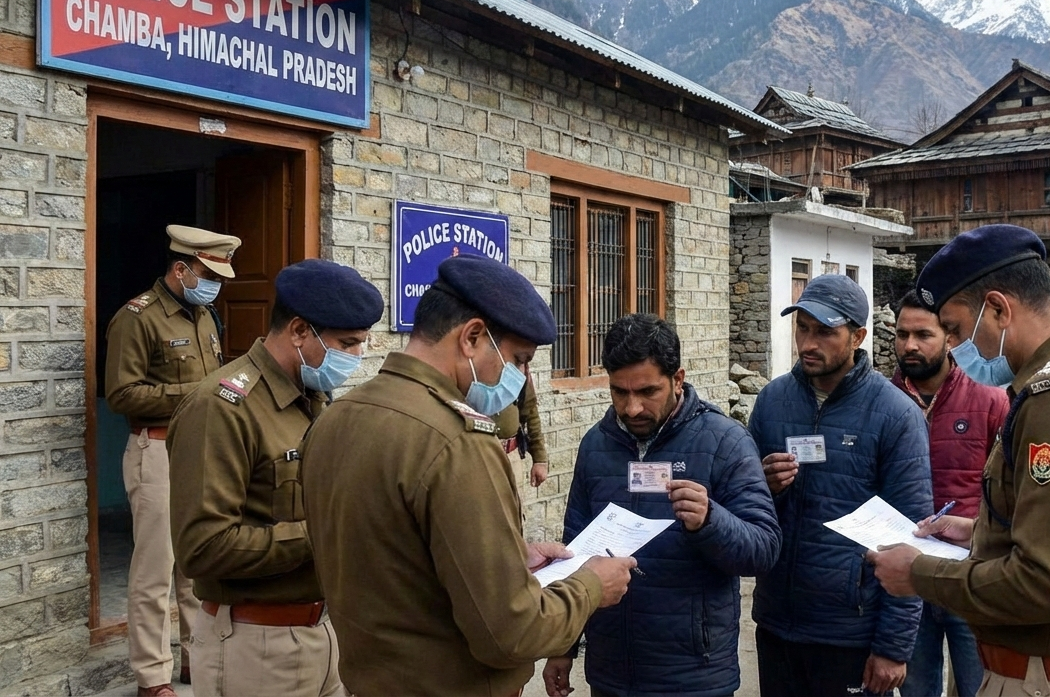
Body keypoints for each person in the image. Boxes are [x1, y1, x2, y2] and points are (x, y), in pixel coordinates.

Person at [299, 255, 633, 696]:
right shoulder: (458, 442)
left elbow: (398, 556)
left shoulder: (338, 415)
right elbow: (510, 635)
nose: (520, 376)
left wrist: (507, 558)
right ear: (473, 337)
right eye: (518, 359)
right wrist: (592, 585)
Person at [867, 224, 1050, 697]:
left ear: (999, 309)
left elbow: (1049, 584)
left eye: (955, 329)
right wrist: (981, 530)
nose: (956, 346)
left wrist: (919, 573)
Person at [168, 259, 382, 697]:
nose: (356, 358)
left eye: (361, 344)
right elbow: (202, 548)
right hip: (256, 643)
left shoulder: (314, 398)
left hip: (325, 633)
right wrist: (326, 532)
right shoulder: (222, 408)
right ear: (300, 330)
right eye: (347, 343)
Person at [541, 313, 780, 697]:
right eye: (620, 392)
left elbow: (764, 549)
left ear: (678, 379)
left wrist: (710, 521)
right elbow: (574, 550)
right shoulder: (595, 446)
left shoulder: (726, 442)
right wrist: (563, 646)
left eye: (647, 392)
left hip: (694, 677)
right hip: (611, 674)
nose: (632, 408)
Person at [749, 274, 932, 697]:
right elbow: (744, 511)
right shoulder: (773, 401)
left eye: (826, 332)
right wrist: (763, 485)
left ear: (858, 336)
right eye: (803, 328)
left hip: (851, 632)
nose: (809, 343)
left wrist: (893, 647)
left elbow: (912, 539)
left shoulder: (895, 415)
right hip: (777, 623)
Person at [105, 225, 239, 697]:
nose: (215, 285)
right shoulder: (137, 317)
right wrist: (197, 394)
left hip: (198, 450)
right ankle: (152, 677)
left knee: (196, 563)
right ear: (180, 269)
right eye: (208, 274)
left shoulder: (204, 316)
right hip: (156, 448)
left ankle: (191, 659)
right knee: (155, 571)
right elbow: (122, 394)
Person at [891, 291, 1008, 697]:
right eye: (901, 334)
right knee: (915, 688)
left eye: (923, 334)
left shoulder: (991, 398)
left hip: (970, 575)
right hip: (907, 577)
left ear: (949, 339)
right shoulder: (881, 401)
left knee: (980, 686)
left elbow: (1012, 488)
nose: (910, 345)